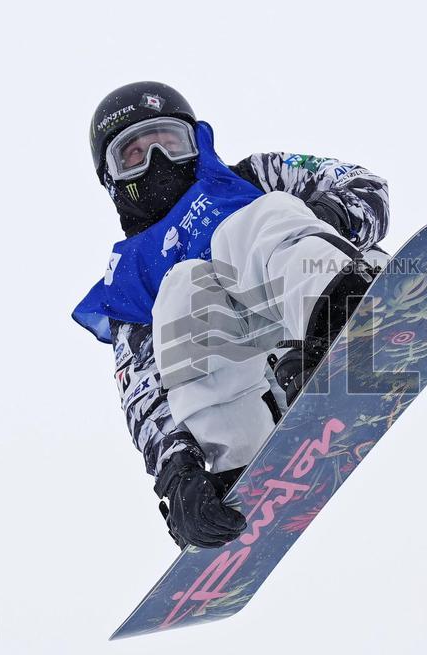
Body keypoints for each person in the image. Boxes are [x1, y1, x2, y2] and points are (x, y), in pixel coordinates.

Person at [73, 82, 390, 550]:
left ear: (196, 142)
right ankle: (242, 460)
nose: (157, 160)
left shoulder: (251, 179)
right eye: (134, 155)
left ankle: (338, 322)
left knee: (240, 230)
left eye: (169, 142)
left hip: (322, 295)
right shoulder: (130, 285)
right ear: (113, 178)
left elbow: (364, 187)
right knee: (183, 287)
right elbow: (143, 392)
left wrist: (318, 216)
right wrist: (176, 475)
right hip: (261, 380)